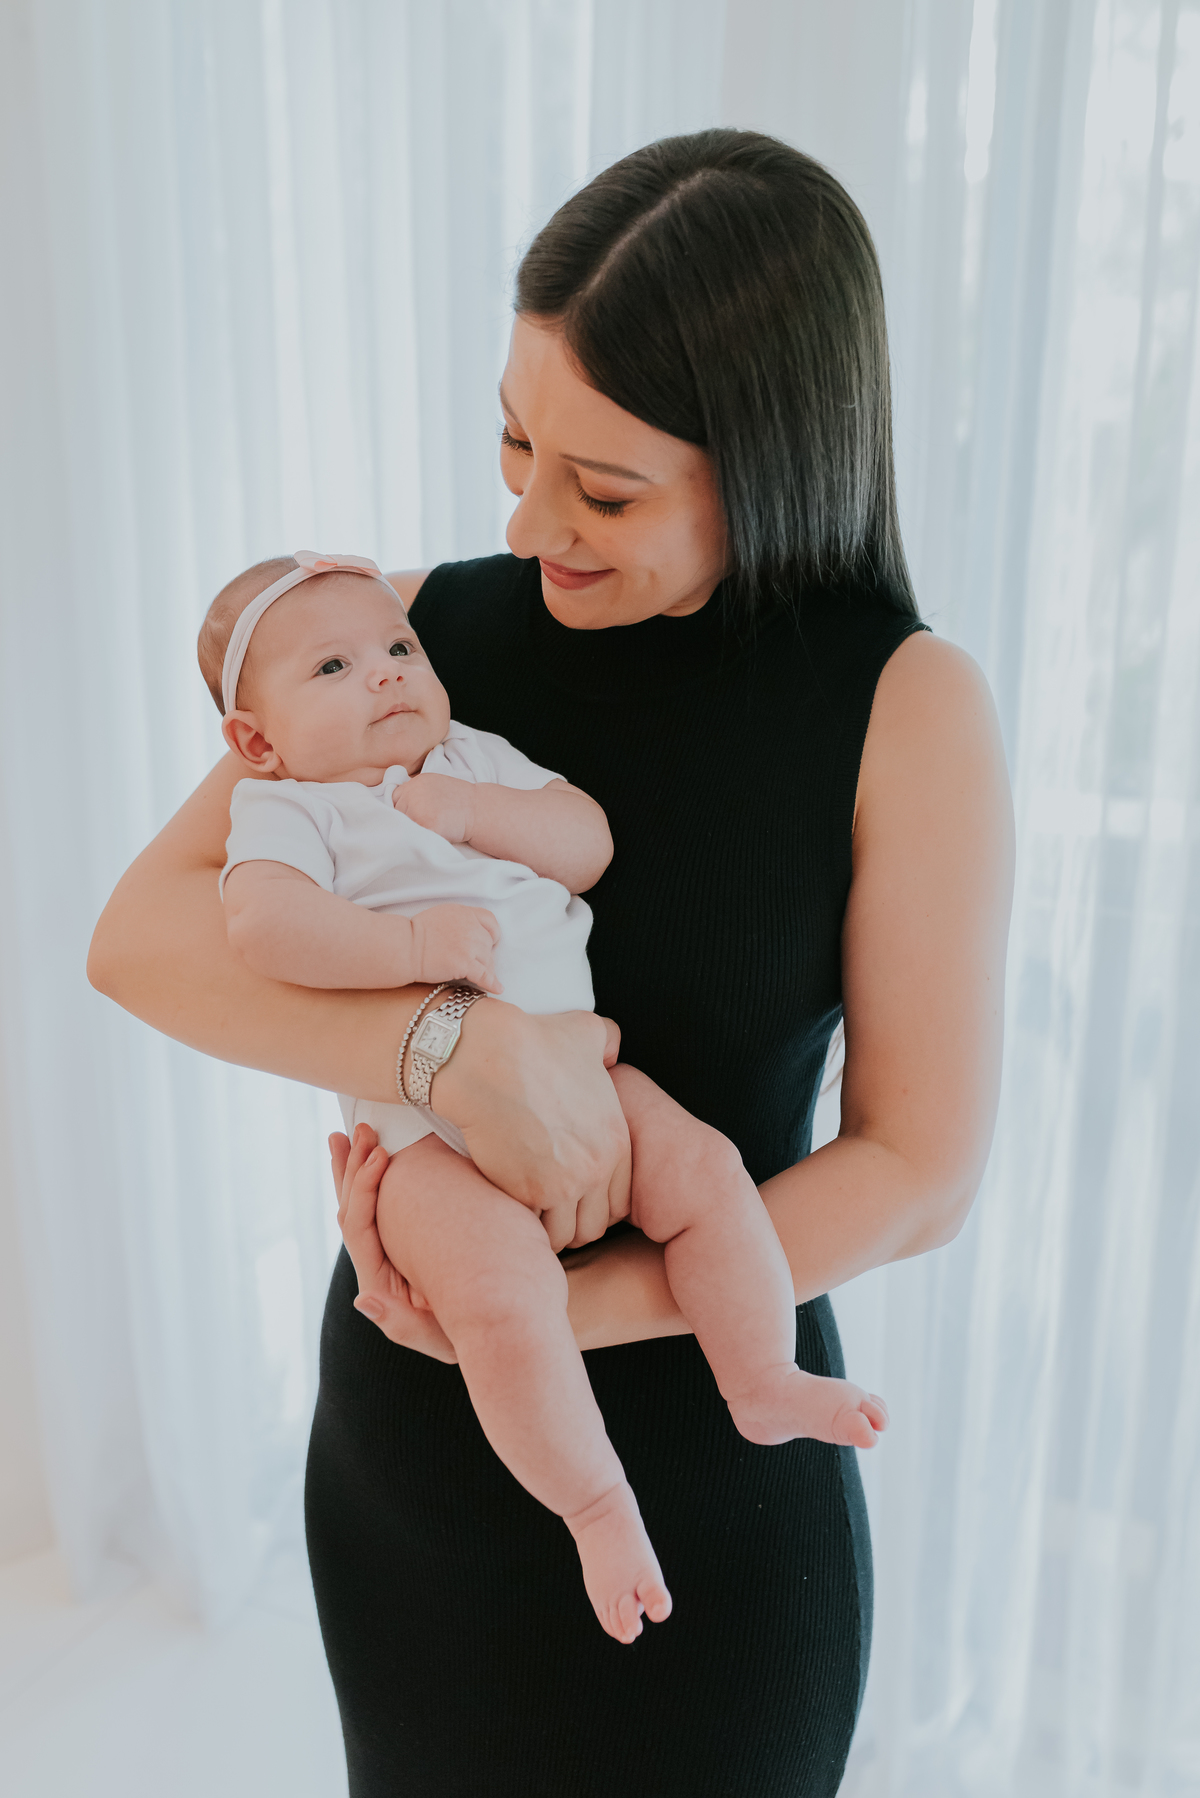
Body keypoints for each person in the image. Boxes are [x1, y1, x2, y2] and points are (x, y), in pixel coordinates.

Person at [89, 129, 1014, 1797]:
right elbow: (140, 933)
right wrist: (443, 1053)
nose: (527, 519)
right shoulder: (409, 639)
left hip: (706, 1512)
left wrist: (571, 1310)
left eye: (602, 486)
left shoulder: (906, 706)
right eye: (515, 441)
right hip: (408, 1487)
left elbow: (923, 1168)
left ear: (773, 456)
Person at [202, 547, 889, 1643]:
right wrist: (410, 944)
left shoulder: (471, 757)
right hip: (424, 1141)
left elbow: (587, 840)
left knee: (709, 1173)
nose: (385, 675)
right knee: (499, 1300)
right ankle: (598, 1506)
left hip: (588, 1073)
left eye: (397, 648)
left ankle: (760, 1373)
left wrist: (473, 810)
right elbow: (263, 927)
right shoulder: (292, 812)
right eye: (333, 667)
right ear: (257, 740)